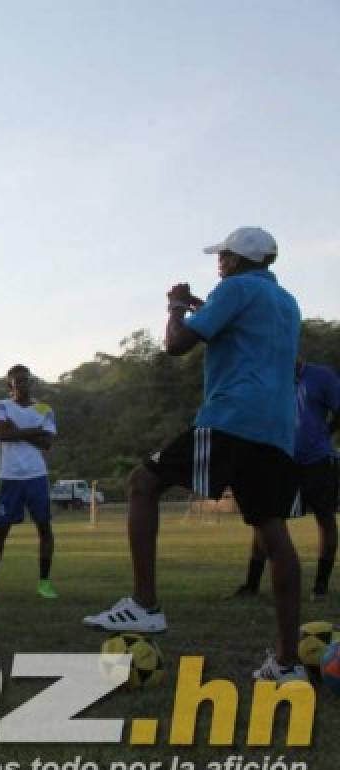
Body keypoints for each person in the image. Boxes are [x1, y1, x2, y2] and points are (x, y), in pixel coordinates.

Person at [83, 227, 306, 684]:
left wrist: (176, 308)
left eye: (222, 255)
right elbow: (244, 336)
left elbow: (177, 344)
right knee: (274, 533)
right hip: (278, 428)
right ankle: (287, 662)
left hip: (231, 418)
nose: (218, 262)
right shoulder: (285, 302)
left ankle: (145, 606)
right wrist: (204, 307)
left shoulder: (235, 288)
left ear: (238, 259)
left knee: (142, 483)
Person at [234, 359, 339, 599]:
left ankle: (320, 587)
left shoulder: (321, 376)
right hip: (283, 460)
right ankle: (251, 585)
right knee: (266, 518)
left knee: (325, 519)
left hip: (318, 460)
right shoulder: (272, 381)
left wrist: (324, 434)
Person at [0, 365, 58, 603]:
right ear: (10, 385)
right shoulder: (1, 406)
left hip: (37, 476)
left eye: (27, 380)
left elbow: (47, 443)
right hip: (10, 477)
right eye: (18, 381)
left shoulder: (45, 409)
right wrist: (34, 431)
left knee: (44, 528)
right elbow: (3, 435)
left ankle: (44, 583)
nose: (23, 384)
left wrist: (18, 431)